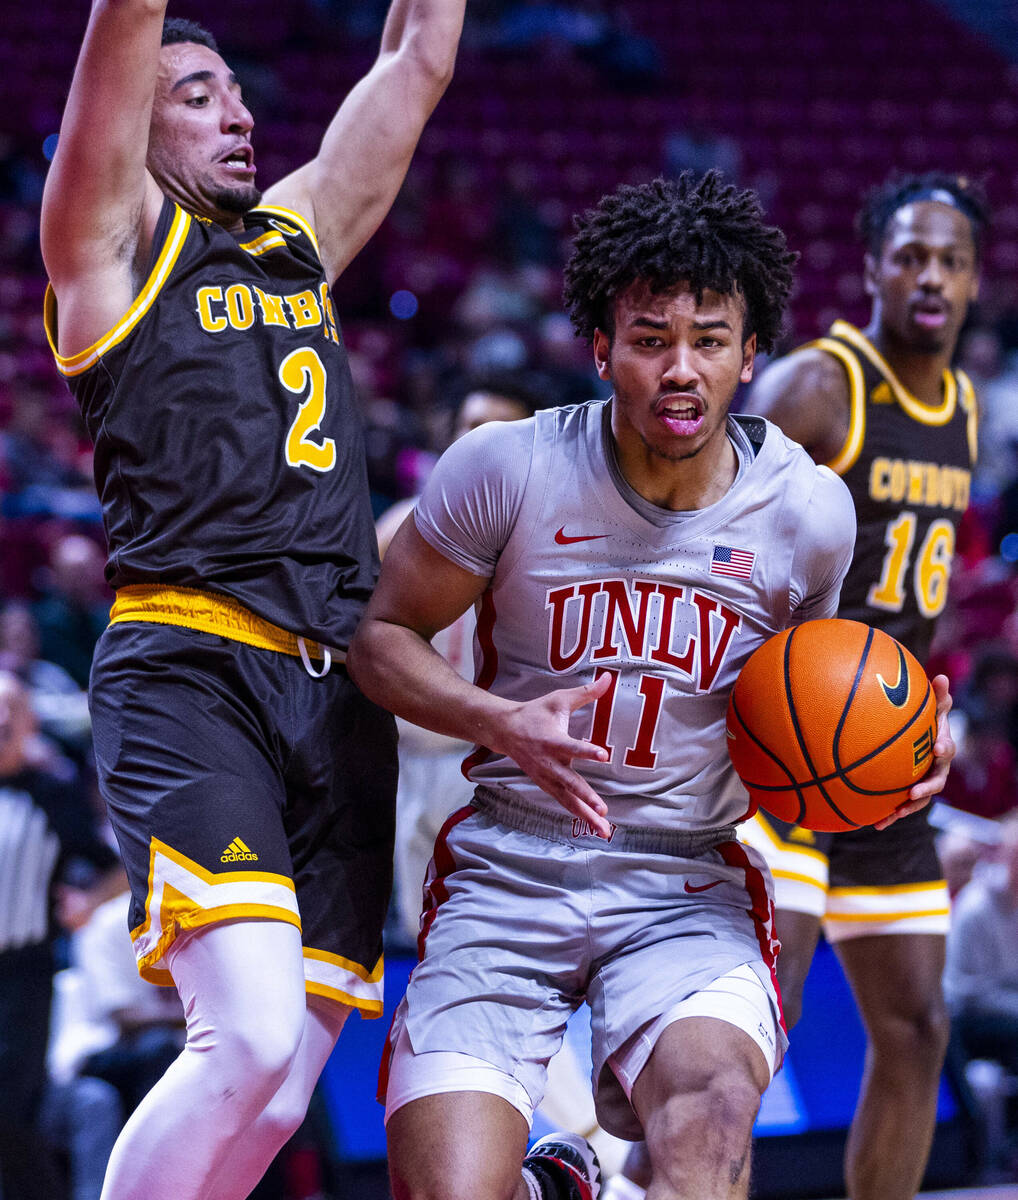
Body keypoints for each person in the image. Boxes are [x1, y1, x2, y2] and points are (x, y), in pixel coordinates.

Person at [347, 170, 954, 1200]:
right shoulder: (507, 469)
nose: (680, 368)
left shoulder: (807, 513)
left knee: (707, 1128)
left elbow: (812, 706)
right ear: (600, 347)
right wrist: (498, 719)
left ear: (749, 352)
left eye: (708, 339)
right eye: (650, 337)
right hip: (509, 863)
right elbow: (380, 639)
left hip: (688, 882)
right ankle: (556, 1181)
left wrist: (895, 755)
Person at [39, 2, 464, 1197]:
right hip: (195, 665)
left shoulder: (294, 237)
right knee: (250, 1037)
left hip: (340, 696)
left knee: (278, 1093)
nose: (238, 113)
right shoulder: (110, 248)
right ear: (136, 124)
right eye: (194, 94)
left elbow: (417, 58)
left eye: (237, 91)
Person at [734, 171, 988, 1200]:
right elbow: (715, 545)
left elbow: (919, 599)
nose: (930, 276)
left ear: (974, 280)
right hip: (790, 748)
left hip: (885, 759)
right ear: (873, 266)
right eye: (911, 256)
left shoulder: (964, 405)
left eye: (951, 260)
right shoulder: (818, 384)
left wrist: (936, 706)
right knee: (752, 1033)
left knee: (917, 1027)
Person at [0, 671, 122, 1200]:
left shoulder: (53, 795)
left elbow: (120, 868)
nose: (1, 719)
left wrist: (88, 903)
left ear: (29, 720)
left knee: (11, 1111)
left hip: (22, 978)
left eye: (11, 709)